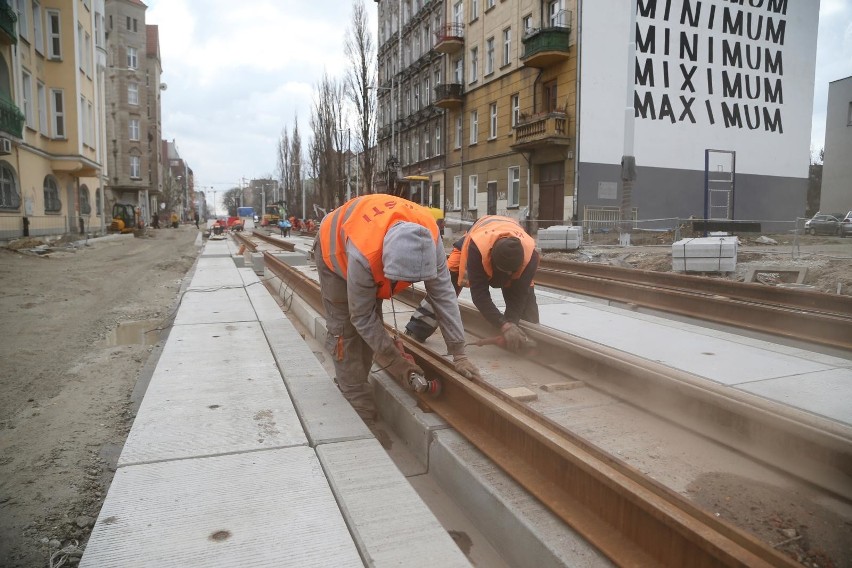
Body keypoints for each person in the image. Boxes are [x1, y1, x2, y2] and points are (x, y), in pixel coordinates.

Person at [315, 194, 482, 424]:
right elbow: (361, 317)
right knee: (346, 330)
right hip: (332, 251)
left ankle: (357, 379)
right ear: (384, 259)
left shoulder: (431, 239)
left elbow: (443, 295)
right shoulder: (364, 255)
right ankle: (358, 403)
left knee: (372, 327)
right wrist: (396, 361)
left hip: (368, 246)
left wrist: (459, 352)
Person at [405, 215, 539, 352]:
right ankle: (417, 329)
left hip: (503, 243)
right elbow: (480, 295)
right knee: (444, 289)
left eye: (511, 273)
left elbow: (519, 295)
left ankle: (528, 343)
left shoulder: (530, 257)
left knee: (525, 297)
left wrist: (511, 323)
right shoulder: (477, 249)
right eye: (504, 272)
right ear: (492, 260)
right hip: (472, 243)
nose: (508, 276)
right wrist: (503, 325)